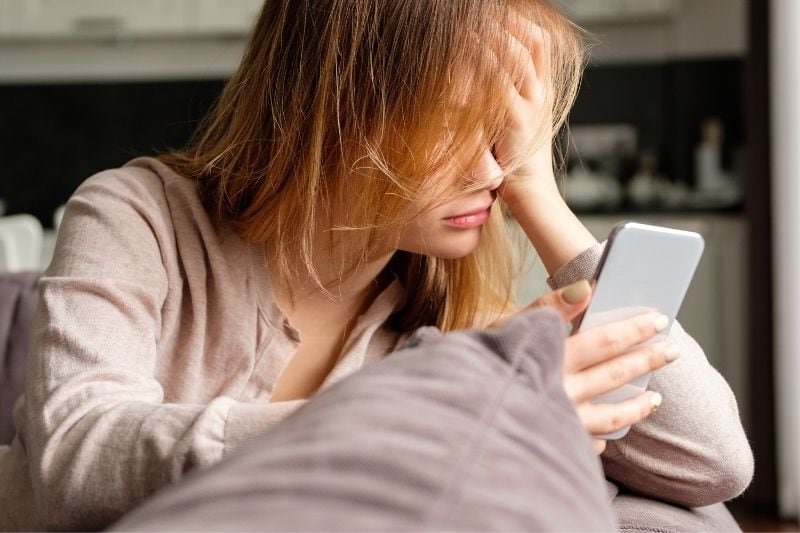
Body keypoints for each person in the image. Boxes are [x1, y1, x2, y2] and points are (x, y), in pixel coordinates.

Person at [0, 0, 752, 530]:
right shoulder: (137, 215)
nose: (495, 168)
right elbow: (74, 464)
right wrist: (420, 416)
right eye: (462, 123)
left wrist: (539, 197)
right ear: (341, 105)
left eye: (511, 136)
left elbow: (712, 465)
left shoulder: (440, 310)